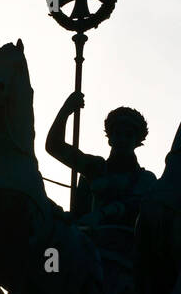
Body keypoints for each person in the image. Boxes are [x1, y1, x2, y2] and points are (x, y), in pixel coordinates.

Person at [46, 91, 156, 227]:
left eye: (128, 135)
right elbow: (54, 146)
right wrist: (67, 109)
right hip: (91, 241)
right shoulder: (95, 167)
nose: (122, 139)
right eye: (118, 134)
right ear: (110, 139)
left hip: (128, 244)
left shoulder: (146, 179)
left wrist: (105, 213)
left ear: (137, 142)